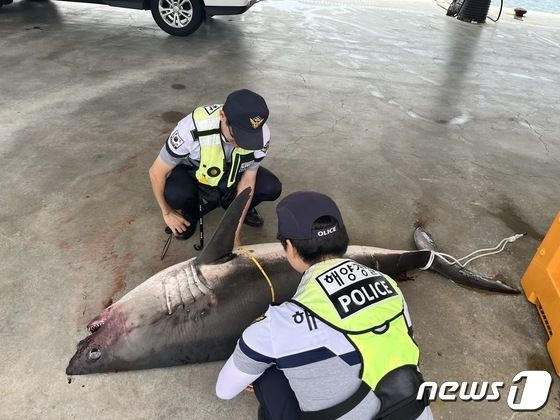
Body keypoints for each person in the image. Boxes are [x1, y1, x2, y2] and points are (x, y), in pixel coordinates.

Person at [216, 192, 433, 420]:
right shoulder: (389, 286)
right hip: (411, 410)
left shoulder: (276, 325)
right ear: (343, 238)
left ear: (289, 246)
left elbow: (224, 391)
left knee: (265, 372)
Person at [149, 89, 282, 246]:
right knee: (175, 194)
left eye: (249, 138)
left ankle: (232, 206)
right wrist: (167, 212)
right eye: (237, 136)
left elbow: (248, 179)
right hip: (194, 172)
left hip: (232, 171)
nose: (242, 144)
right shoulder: (191, 128)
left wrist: (235, 228)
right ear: (222, 116)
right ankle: (190, 213)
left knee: (270, 187)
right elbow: (156, 172)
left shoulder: (262, 135)